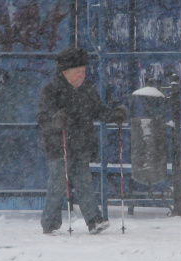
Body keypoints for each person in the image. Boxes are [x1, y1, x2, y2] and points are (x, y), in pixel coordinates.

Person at [37, 47, 128, 235]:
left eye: (84, 71)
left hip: (81, 144)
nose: (82, 74)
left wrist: (114, 116)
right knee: (59, 182)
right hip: (59, 145)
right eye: (78, 71)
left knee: (85, 182)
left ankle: (94, 220)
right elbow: (43, 118)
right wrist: (57, 119)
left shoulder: (87, 89)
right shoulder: (52, 90)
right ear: (65, 72)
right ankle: (50, 222)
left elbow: (98, 111)